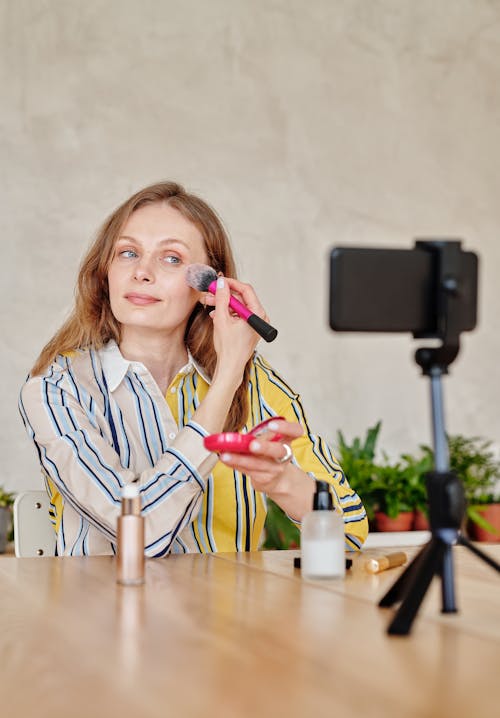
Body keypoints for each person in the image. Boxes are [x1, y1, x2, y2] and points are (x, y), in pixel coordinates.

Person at [19, 181, 368, 556]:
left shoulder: (258, 384)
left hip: (231, 614)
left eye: (171, 258)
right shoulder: (56, 389)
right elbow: (143, 535)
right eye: (127, 253)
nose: (142, 272)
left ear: (210, 289)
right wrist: (227, 378)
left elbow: (350, 529)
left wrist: (282, 480)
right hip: (110, 611)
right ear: (105, 272)